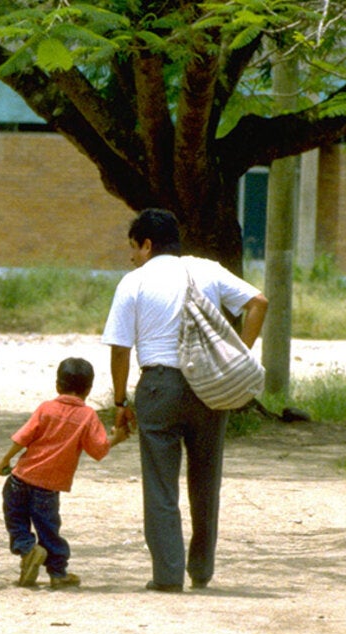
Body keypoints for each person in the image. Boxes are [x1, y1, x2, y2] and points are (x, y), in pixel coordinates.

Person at [101, 208, 268, 592]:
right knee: (206, 481)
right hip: (210, 386)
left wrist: (122, 402)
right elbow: (259, 302)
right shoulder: (206, 270)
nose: (131, 256)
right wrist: (239, 355)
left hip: (160, 386)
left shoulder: (134, 282)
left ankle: (167, 574)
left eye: (133, 247)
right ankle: (202, 569)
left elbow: (120, 349)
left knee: (161, 484)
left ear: (146, 244)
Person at [0, 358, 129, 589]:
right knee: (48, 530)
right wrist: (116, 437)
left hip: (20, 479)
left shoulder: (46, 408)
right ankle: (57, 573)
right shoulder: (87, 417)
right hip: (48, 488)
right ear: (88, 389)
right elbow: (98, 450)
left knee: (16, 522)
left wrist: (4, 460)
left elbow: (22, 438)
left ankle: (28, 550)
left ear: (57, 385)